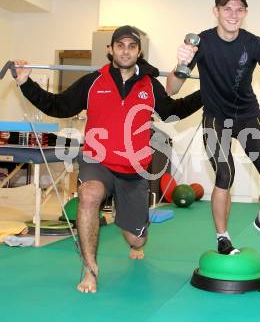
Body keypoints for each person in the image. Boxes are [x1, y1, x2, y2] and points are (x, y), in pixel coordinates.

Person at [13, 25, 202, 293]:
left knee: (136, 240)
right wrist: (24, 82)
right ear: (110, 49)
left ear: (139, 52)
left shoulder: (150, 84)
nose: (125, 50)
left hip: (134, 170)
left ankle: (135, 238)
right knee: (88, 194)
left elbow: (173, 111)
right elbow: (58, 105)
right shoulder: (92, 81)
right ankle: (90, 269)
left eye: (131, 46)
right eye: (120, 45)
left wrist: (208, 93)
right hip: (97, 161)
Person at [166, 0, 260, 255]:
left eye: (239, 9)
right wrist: (180, 64)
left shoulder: (254, 44)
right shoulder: (201, 42)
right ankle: (223, 237)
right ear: (216, 11)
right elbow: (172, 89)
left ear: (245, 13)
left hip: (248, 118)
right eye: (227, 8)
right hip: (216, 118)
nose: (233, 14)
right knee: (225, 175)